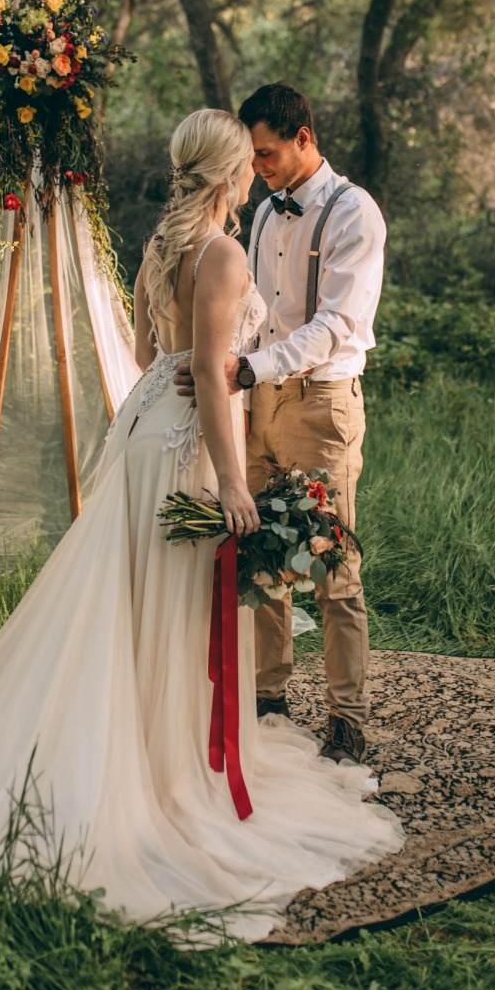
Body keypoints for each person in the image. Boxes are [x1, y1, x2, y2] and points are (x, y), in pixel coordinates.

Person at [0, 109, 403, 944]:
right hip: (186, 442)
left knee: (130, 593)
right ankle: (152, 772)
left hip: (146, 424)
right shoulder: (220, 252)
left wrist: (187, 389)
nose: (254, 172)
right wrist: (226, 479)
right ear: (227, 176)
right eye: (245, 163)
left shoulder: (159, 247)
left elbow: (151, 360)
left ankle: (145, 740)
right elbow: (213, 380)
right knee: (166, 601)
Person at [178, 83, 386, 765]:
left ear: (304, 136)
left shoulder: (355, 212)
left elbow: (338, 324)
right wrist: (219, 364)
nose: (257, 166)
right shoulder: (264, 214)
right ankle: (268, 701)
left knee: (334, 565)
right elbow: (255, 312)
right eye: (252, 156)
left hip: (322, 405)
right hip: (258, 400)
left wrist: (248, 367)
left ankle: (346, 718)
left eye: (266, 153)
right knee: (259, 553)